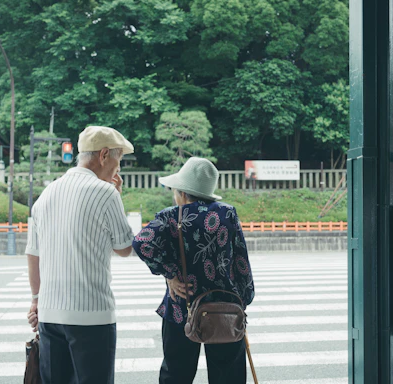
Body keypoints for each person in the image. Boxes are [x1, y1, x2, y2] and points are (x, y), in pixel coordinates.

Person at [25, 126, 136, 384]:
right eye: (118, 160)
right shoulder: (106, 193)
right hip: (92, 315)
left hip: (50, 315)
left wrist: (35, 300)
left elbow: (33, 254)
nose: (118, 169)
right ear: (104, 155)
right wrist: (117, 197)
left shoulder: (46, 194)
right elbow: (124, 248)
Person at [132, 157, 255, 384]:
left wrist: (169, 273)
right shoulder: (227, 213)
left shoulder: (171, 216)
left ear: (183, 192)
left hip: (183, 307)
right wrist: (244, 299)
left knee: (176, 374)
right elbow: (241, 261)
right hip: (225, 308)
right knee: (228, 376)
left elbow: (141, 243)